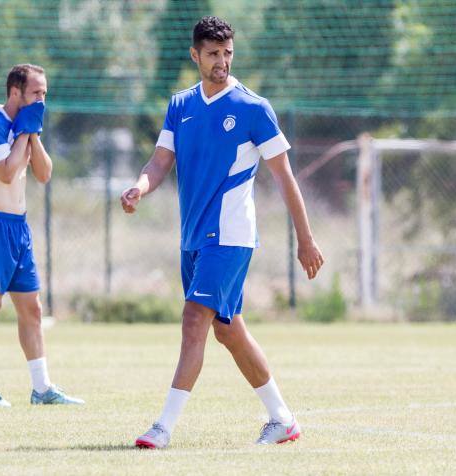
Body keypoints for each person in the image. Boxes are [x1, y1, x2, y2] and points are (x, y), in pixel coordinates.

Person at [121, 16, 324, 448]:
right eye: (213, 54)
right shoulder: (180, 105)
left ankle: (163, 428)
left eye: (228, 53)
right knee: (228, 330)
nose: (222, 62)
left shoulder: (253, 108)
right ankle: (283, 419)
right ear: (195, 55)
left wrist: (305, 238)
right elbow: (159, 162)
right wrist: (139, 188)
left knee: (195, 319)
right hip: (193, 239)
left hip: (230, 236)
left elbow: (285, 177)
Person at [0, 64, 83, 406]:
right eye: (36, 93)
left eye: (44, 93)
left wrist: (32, 133)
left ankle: (42, 388)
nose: (42, 99)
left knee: (31, 307)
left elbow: (44, 174)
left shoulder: (25, 128)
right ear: (16, 92)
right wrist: (22, 133)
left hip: (19, 227)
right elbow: (6, 173)